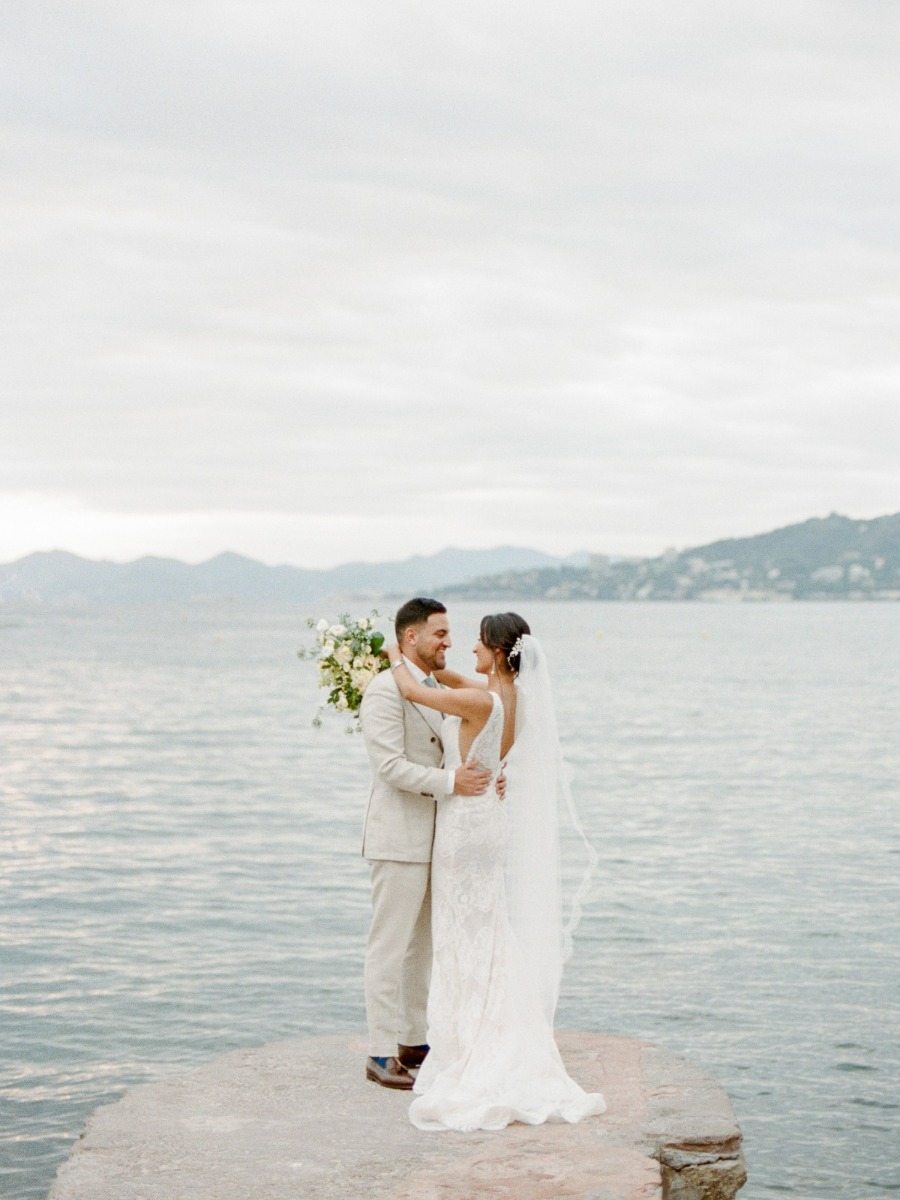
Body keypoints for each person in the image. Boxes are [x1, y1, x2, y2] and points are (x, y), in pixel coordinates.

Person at [386, 612, 605, 1131]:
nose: (470, 652)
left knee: (463, 933)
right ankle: (489, 1030)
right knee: (485, 930)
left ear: (497, 650)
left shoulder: (481, 700)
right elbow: (447, 680)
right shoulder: (513, 699)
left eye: (479, 645)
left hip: (465, 826)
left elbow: (417, 693)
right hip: (490, 819)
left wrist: (393, 653)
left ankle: (476, 1044)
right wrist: (427, 665)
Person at [358, 598, 497, 1090]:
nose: (449, 642)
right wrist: (452, 783)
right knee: (389, 948)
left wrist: (484, 779)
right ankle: (379, 1053)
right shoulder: (381, 692)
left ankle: (412, 1040)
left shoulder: (433, 687)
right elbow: (389, 767)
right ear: (411, 637)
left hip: (439, 839)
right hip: (397, 838)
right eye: (440, 633)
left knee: (422, 948)